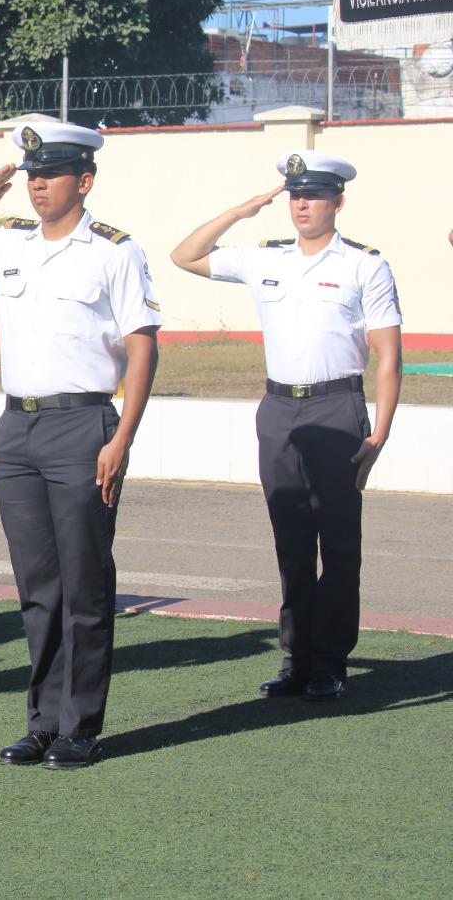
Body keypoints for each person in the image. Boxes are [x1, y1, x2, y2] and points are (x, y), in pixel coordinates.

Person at [0, 121, 161, 770]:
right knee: (38, 586)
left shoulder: (114, 251)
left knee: (84, 584)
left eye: (49, 174)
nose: (36, 185)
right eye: (30, 174)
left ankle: (79, 727)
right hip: (17, 429)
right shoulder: (7, 244)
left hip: (82, 427)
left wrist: (123, 438)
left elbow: (142, 349)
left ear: (84, 181)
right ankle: (43, 723)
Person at [170, 151, 401, 701]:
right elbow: (185, 255)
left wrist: (379, 435)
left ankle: (331, 662)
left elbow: (389, 356)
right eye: (294, 195)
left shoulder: (365, 264)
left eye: (314, 195)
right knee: (292, 542)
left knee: (339, 543)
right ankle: (298, 658)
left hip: (337, 409)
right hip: (278, 412)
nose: (301, 204)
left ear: (337, 202)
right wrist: (244, 210)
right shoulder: (264, 257)